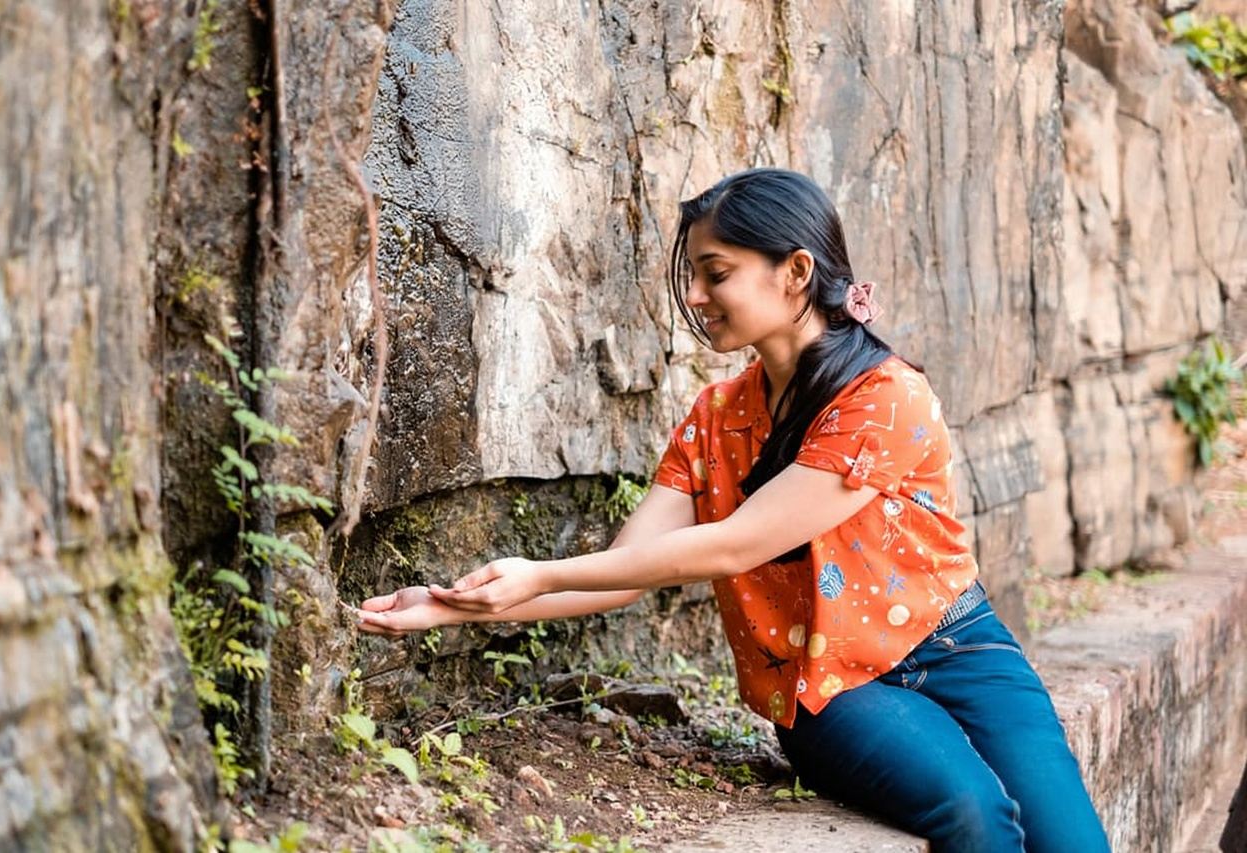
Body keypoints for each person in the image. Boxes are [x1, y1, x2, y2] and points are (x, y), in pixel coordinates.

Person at [357, 168, 1111, 853]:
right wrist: (460, 606)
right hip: (830, 688)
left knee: (1070, 839)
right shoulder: (716, 416)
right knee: (976, 813)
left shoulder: (885, 397)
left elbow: (733, 544)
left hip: (960, 651)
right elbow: (624, 574)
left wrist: (540, 571)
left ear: (796, 273)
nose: (694, 295)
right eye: (692, 275)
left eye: (716, 273)